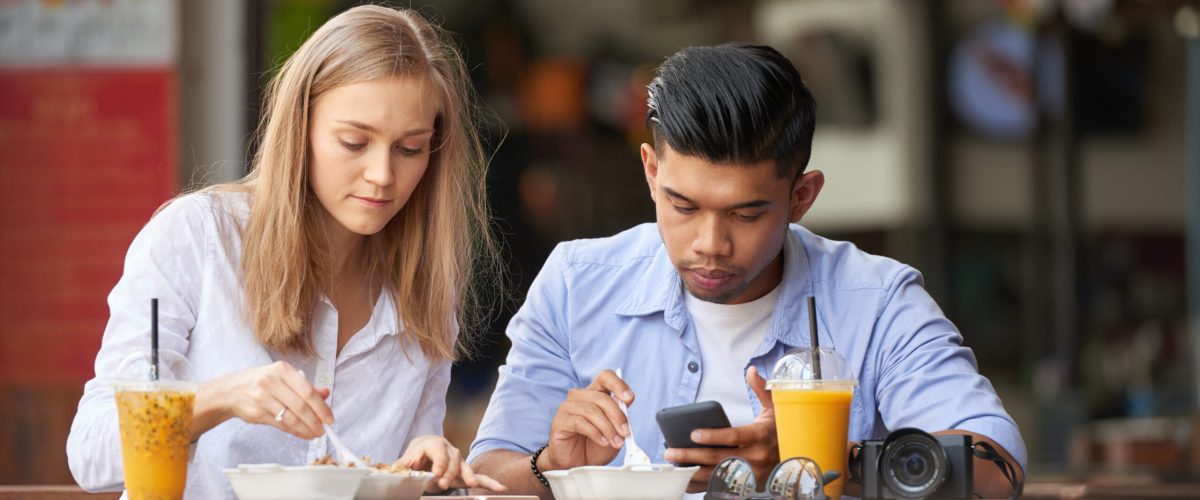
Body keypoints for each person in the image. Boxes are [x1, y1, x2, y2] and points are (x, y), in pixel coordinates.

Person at [467, 43, 1026, 497]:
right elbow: (489, 472)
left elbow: (996, 465)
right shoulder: (576, 283)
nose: (710, 244)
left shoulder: (876, 301)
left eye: (746, 213)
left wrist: (821, 459)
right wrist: (553, 466)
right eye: (683, 206)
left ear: (801, 197)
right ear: (650, 173)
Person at [67, 5, 505, 498]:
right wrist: (221, 398)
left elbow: (394, 471)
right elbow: (92, 450)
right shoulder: (198, 237)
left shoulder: (424, 286)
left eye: (409, 149)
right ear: (301, 130)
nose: (383, 174)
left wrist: (429, 467)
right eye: (354, 142)